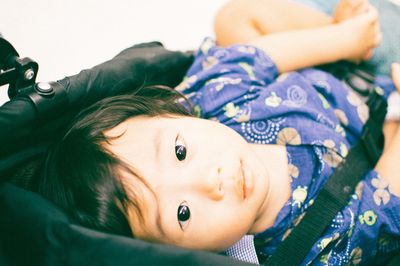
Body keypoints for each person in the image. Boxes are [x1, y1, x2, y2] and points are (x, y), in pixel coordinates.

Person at [36, 0, 400, 265]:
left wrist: (342, 40)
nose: (211, 181)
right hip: (380, 136)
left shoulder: (213, 103)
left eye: (180, 153)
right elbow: (384, 198)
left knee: (232, 20)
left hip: (328, 71)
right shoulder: (304, 247)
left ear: (171, 112)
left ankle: (346, 34)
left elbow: (256, 57)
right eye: (182, 213)